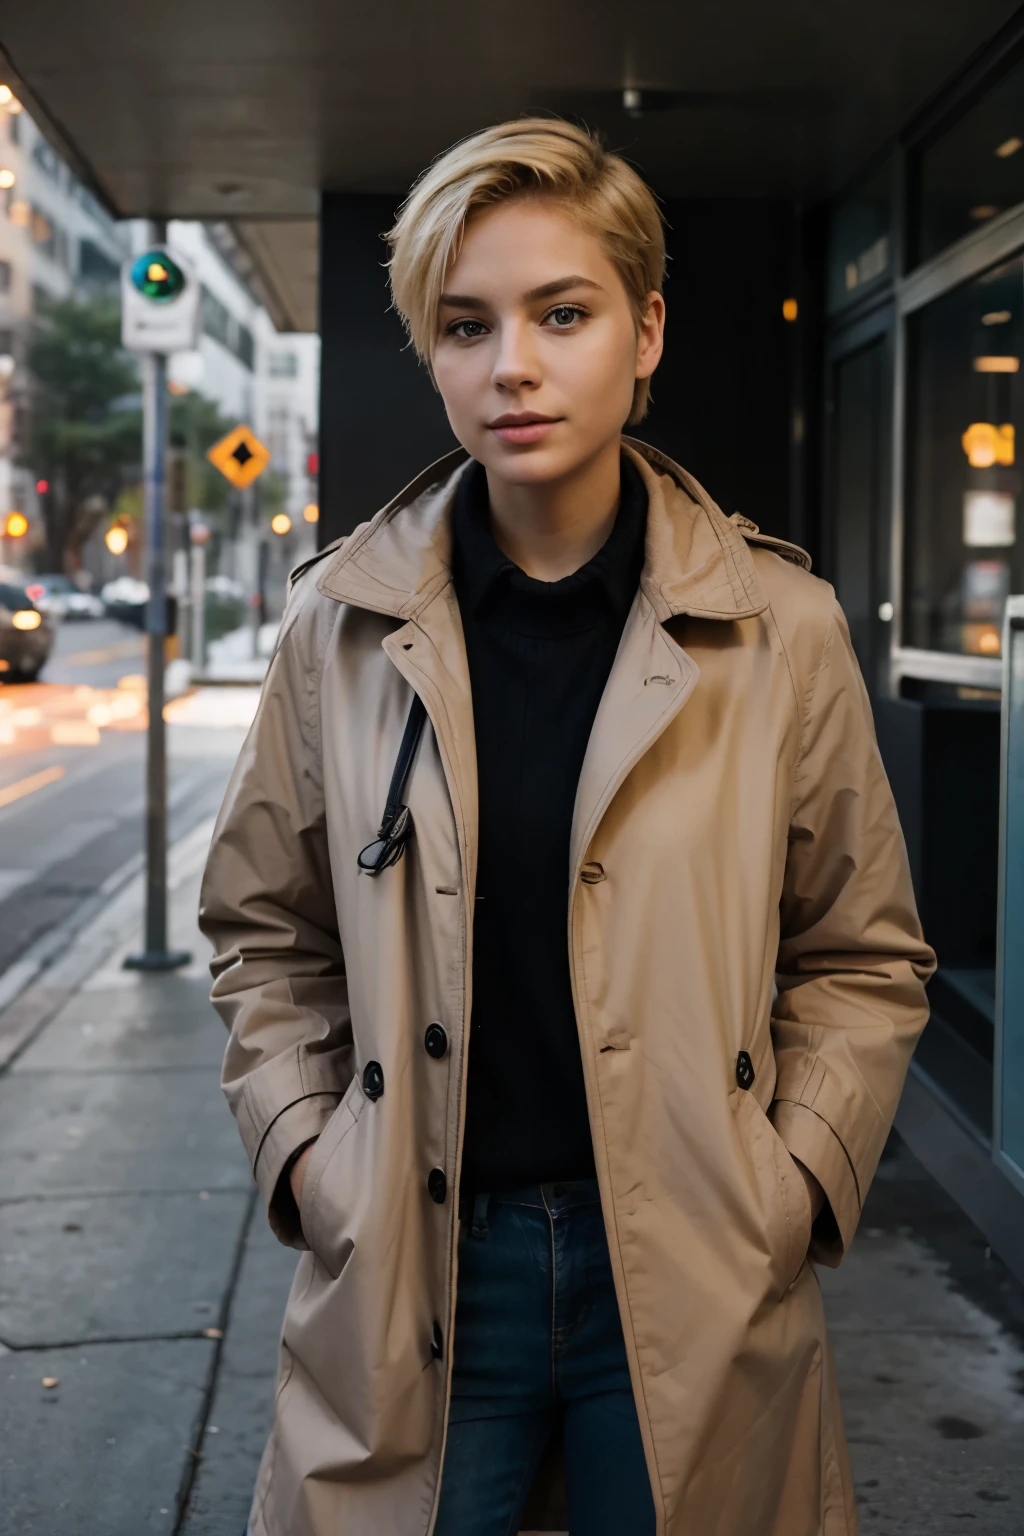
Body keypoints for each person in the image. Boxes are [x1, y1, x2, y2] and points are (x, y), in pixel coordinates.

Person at [199, 118, 935, 1536]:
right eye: (465, 325)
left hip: (695, 1260)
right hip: (419, 1264)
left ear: (646, 331)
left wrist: (787, 1185)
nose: (512, 366)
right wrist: (313, 1158)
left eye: (563, 313)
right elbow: (262, 933)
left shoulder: (777, 628)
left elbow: (863, 954)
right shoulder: (341, 629)